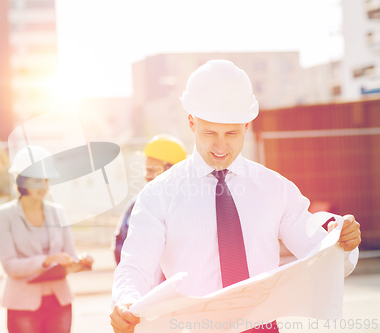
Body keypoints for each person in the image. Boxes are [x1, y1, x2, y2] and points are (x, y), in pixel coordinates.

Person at [110, 60, 361, 333]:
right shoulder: (158, 196)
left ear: (247, 126)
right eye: (209, 133)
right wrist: (126, 302)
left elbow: (318, 248)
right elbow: (135, 267)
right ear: (191, 123)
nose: (220, 146)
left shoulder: (275, 189)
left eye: (231, 133)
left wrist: (340, 241)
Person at [0, 145, 93, 333]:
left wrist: (81, 262)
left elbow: (69, 258)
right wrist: (47, 261)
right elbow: (10, 266)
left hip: (59, 303)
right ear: (22, 179)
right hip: (22, 305)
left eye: (46, 179)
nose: (44, 186)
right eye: (38, 179)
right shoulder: (4, 215)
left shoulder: (58, 212)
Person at [113, 134, 187, 265]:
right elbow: (120, 243)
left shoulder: (191, 205)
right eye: (145, 170)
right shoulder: (136, 204)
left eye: (151, 170)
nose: (146, 176)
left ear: (171, 171)